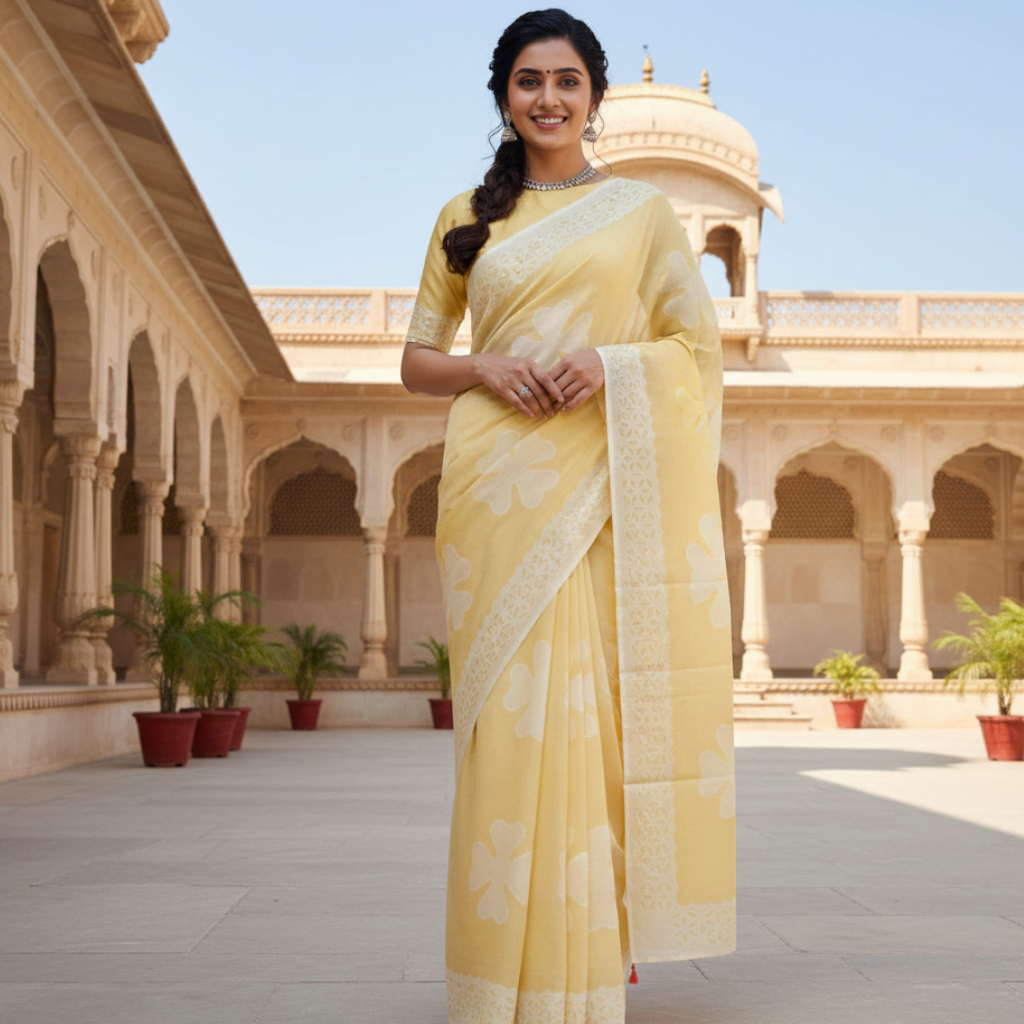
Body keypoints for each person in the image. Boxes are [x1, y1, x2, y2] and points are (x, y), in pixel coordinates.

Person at [401, 10, 735, 1023]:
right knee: (503, 730)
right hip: (493, 491)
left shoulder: (637, 216)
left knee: (590, 717)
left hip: (595, 484)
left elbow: (695, 350)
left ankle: (584, 964)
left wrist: (607, 364)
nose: (547, 97)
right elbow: (418, 360)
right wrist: (485, 364)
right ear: (503, 94)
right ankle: (500, 973)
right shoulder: (466, 214)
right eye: (527, 80)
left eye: (566, 81)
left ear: (593, 95)